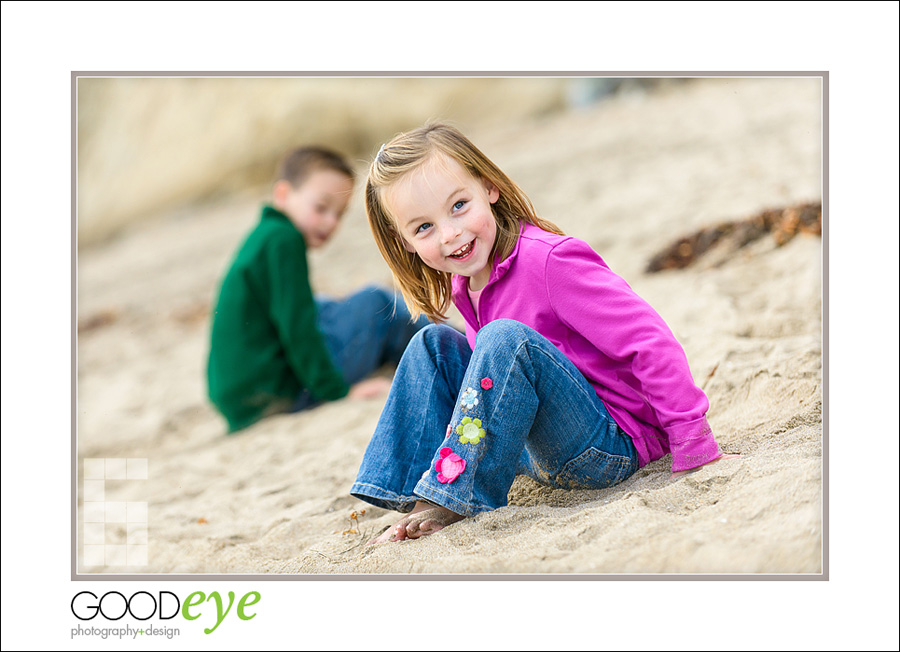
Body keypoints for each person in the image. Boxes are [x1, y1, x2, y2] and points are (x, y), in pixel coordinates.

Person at [350, 122, 737, 543]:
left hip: (609, 446)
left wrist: (693, 442)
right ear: (403, 241)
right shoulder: (468, 283)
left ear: (489, 187)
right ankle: (413, 489)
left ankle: (454, 494)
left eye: (459, 205)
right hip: (537, 451)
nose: (450, 233)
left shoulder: (548, 262)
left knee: (503, 340)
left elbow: (649, 340)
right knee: (434, 344)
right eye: (423, 227)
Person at [207, 146, 430, 434]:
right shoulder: (284, 240)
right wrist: (339, 393)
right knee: (376, 303)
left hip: (241, 398)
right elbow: (297, 328)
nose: (330, 222)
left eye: (339, 214)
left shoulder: (265, 234)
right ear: (283, 195)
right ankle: (456, 344)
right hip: (279, 391)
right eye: (321, 208)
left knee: (322, 305)